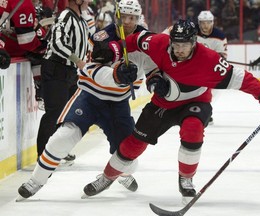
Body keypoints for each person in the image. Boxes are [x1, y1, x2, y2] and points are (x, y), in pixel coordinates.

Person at [80, 20, 260, 203]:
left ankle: (186, 179)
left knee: (193, 129)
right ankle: (107, 178)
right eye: (176, 44)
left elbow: (243, 79)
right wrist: (114, 49)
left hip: (196, 101)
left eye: (184, 45)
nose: (179, 49)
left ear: (194, 43)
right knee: (134, 143)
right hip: (163, 103)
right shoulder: (159, 43)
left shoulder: (209, 60)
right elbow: (135, 39)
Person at [16, 0, 158, 200]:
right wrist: (116, 77)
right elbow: (88, 69)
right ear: (117, 16)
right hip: (90, 97)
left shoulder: (145, 41)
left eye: (132, 17)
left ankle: (118, 173)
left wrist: (156, 83)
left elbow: (152, 70)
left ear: (139, 18)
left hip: (118, 105)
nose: (127, 21)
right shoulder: (102, 37)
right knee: (62, 138)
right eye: (124, 16)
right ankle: (36, 181)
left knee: (129, 157)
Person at [36, 0, 91, 164]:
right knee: (54, 113)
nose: (89, 1)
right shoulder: (66, 16)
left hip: (70, 72)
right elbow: (57, 43)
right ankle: (42, 156)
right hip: (56, 69)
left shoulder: (81, 20)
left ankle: (56, 150)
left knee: (66, 115)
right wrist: (77, 60)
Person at [197, 10, 228, 124]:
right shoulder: (192, 32)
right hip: (194, 67)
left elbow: (222, 57)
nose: (205, 25)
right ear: (199, 23)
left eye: (208, 22)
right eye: (203, 23)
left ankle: (205, 112)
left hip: (210, 69)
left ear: (212, 22)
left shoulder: (219, 36)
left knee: (211, 91)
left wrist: (210, 59)